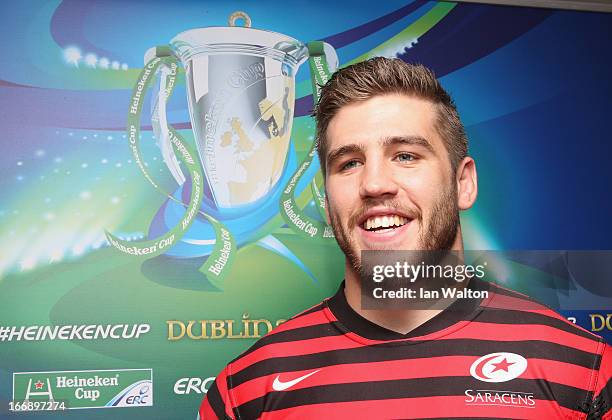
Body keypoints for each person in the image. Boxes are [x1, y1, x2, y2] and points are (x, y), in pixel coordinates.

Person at [199, 57, 610, 419]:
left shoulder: (583, 369)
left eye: (406, 156)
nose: (374, 183)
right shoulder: (247, 388)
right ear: (326, 202)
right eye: (349, 163)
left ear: (463, 183)